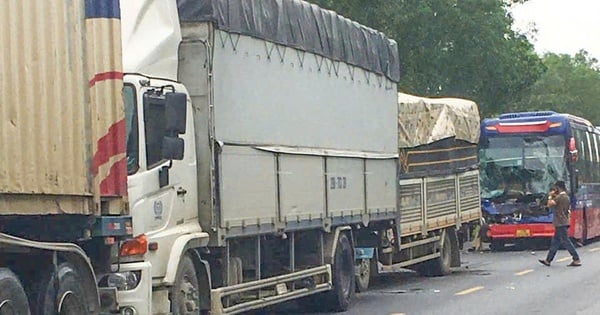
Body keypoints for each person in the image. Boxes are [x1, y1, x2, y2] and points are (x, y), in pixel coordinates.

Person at [538, 181, 581, 267]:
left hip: (560, 222)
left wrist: (550, 196)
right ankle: (548, 260)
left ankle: (576, 259)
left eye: (555, 188)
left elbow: (549, 204)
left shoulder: (560, 197)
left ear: (558, 187)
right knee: (555, 242)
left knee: (566, 241)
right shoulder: (566, 197)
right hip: (563, 221)